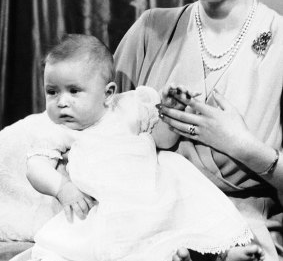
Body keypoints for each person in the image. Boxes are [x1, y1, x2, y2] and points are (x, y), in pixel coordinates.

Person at [114, 0, 283, 261]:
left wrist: (243, 147)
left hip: (243, 240)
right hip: (143, 230)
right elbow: (97, 137)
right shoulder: (150, 30)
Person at [24, 34, 257, 261]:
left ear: (108, 93)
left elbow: (164, 141)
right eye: (52, 92)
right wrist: (62, 187)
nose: (61, 102)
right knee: (106, 242)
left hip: (153, 190)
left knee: (189, 211)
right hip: (105, 204)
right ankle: (177, 255)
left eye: (74, 91)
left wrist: (168, 110)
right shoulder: (60, 128)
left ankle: (219, 251)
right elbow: (35, 166)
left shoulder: (129, 107)